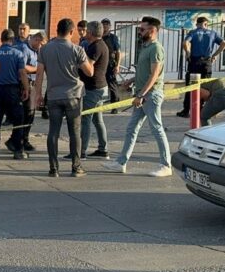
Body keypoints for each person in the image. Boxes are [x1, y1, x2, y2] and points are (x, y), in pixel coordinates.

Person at [102, 16, 172, 177]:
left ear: (152, 30)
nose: (139, 32)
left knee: (157, 128)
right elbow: (145, 71)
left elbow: (154, 75)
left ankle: (165, 164)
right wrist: (131, 80)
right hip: (142, 94)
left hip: (151, 95)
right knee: (131, 128)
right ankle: (121, 162)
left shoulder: (156, 48)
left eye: (142, 29)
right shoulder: (146, 47)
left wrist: (141, 95)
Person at [35, 18, 94, 178]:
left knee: (53, 131)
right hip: (73, 96)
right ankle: (76, 167)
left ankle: (53, 168)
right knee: (75, 132)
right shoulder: (77, 49)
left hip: (53, 95)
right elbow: (89, 72)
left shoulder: (45, 50)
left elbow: (39, 73)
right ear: (71, 32)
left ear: (57, 30)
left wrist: (38, 95)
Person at [68, 21, 109, 160]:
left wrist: (74, 64)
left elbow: (88, 67)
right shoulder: (101, 45)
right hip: (100, 87)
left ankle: (81, 151)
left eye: (86, 31)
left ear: (90, 33)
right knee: (98, 120)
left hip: (93, 88)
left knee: (85, 119)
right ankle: (103, 149)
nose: (84, 33)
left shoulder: (95, 47)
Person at [177, 17, 225, 117]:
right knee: (205, 86)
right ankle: (202, 109)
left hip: (194, 62)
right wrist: (215, 55)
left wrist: (188, 53)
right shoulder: (213, 33)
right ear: (206, 23)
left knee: (190, 86)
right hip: (207, 62)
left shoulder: (193, 32)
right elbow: (224, 44)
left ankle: (186, 110)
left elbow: (185, 43)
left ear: (197, 24)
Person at [0, 29, 30, 160]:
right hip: (12, 90)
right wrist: (26, 89)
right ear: (12, 40)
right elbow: (22, 73)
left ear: (1, 39)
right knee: (18, 119)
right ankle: (18, 149)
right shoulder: (17, 54)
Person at [12, 27, 38, 151]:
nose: (42, 47)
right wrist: (37, 69)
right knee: (26, 113)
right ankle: (20, 140)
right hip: (25, 83)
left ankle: (22, 139)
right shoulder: (24, 48)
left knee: (30, 114)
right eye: (41, 44)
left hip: (32, 83)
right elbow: (23, 68)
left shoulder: (35, 50)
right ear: (36, 40)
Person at [101, 18, 122, 114]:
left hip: (110, 64)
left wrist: (117, 65)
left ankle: (115, 106)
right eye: (103, 25)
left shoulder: (113, 38)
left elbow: (118, 52)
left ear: (110, 26)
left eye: (107, 25)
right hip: (100, 64)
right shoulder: (98, 37)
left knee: (112, 85)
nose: (105, 26)